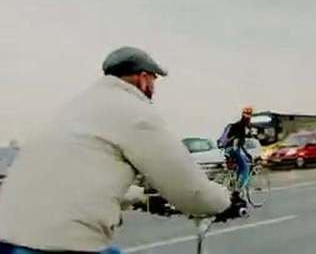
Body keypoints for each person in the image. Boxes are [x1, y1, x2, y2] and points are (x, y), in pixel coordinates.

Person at [0, 47, 236, 254]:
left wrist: (142, 198)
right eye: (154, 80)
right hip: (57, 244)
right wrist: (226, 201)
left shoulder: (74, 109)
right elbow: (192, 191)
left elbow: (77, 178)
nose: (153, 87)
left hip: (7, 236)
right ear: (143, 78)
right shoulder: (135, 112)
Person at [219, 106, 255, 189]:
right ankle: (239, 188)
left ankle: (236, 182)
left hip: (228, 150)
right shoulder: (241, 127)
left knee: (242, 161)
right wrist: (247, 154)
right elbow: (239, 144)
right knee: (245, 167)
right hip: (233, 150)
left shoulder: (235, 125)